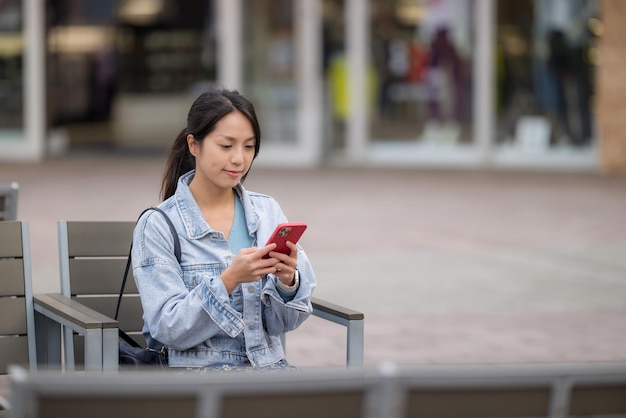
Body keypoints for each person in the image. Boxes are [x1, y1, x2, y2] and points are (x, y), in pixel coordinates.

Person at [131, 87, 316, 370]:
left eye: (249, 146)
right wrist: (228, 281)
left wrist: (287, 282)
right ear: (194, 145)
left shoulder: (267, 212)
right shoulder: (158, 225)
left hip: (269, 372)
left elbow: (284, 324)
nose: (239, 159)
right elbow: (167, 327)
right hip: (198, 377)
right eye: (226, 146)